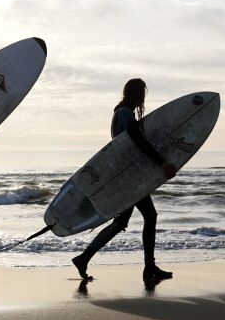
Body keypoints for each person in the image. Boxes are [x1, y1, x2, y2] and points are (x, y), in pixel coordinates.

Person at [71, 78, 176, 284]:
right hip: (129, 179)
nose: (144, 97)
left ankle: (84, 258)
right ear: (136, 94)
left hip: (126, 177)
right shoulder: (125, 113)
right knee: (149, 216)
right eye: (142, 93)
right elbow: (138, 142)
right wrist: (162, 163)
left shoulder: (120, 112)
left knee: (122, 223)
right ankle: (149, 267)